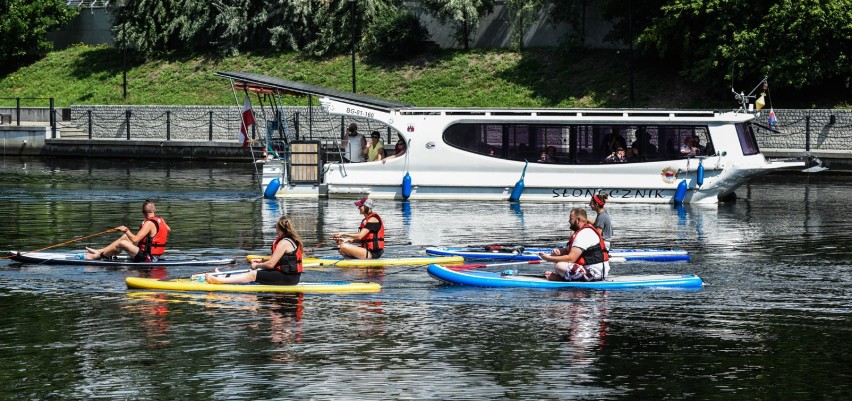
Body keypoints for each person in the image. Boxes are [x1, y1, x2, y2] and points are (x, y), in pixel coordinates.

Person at [206, 216, 303, 285]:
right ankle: (224, 277)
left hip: (289, 278)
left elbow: (271, 265)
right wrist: (262, 261)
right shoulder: (289, 240)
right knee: (255, 271)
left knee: (253, 274)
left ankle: (218, 281)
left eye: (276, 229)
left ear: (280, 229)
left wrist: (256, 265)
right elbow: (280, 260)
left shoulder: (284, 242)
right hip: (288, 276)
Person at [84, 200, 171, 262]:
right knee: (125, 237)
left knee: (122, 243)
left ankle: (98, 256)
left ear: (142, 212)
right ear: (155, 211)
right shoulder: (160, 219)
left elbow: (135, 240)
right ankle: (100, 251)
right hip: (152, 254)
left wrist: (125, 230)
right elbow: (168, 229)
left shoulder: (149, 223)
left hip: (148, 257)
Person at [539, 208, 610, 282]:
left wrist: (548, 258)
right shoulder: (580, 232)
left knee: (559, 266)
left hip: (595, 272)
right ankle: (567, 276)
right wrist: (558, 251)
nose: (569, 221)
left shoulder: (585, 233)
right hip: (588, 268)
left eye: (571, 219)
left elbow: (571, 258)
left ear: (578, 220)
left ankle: (561, 278)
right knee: (559, 261)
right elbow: (567, 250)